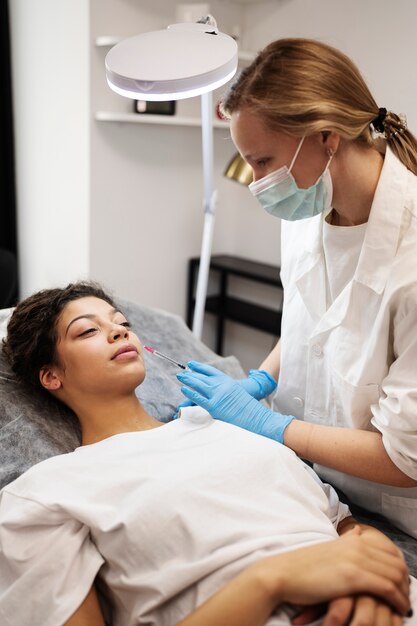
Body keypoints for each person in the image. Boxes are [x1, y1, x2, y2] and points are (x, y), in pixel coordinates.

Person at [0, 282, 414, 626]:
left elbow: (345, 525)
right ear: (51, 376)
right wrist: (269, 581)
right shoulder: (47, 490)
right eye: (88, 331)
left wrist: (380, 572)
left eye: (122, 323)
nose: (120, 332)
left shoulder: (234, 427)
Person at [176, 37, 417, 542]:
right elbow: (312, 319)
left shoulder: (410, 257)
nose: (256, 181)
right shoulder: (309, 204)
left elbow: (407, 457)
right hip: (310, 485)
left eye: (262, 161)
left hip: (396, 512)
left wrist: (269, 427)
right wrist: (262, 381)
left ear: (326, 136)